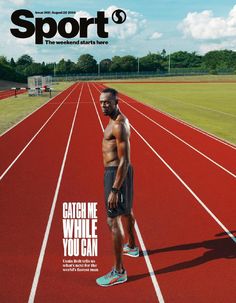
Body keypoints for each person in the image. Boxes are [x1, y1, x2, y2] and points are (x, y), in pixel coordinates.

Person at [96, 87, 139, 287]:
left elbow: (125, 160)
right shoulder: (113, 121)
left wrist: (114, 189)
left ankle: (119, 271)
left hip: (116, 173)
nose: (104, 105)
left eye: (107, 102)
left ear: (116, 102)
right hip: (119, 173)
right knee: (127, 211)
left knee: (112, 221)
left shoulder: (119, 125)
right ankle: (131, 246)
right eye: (102, 102)